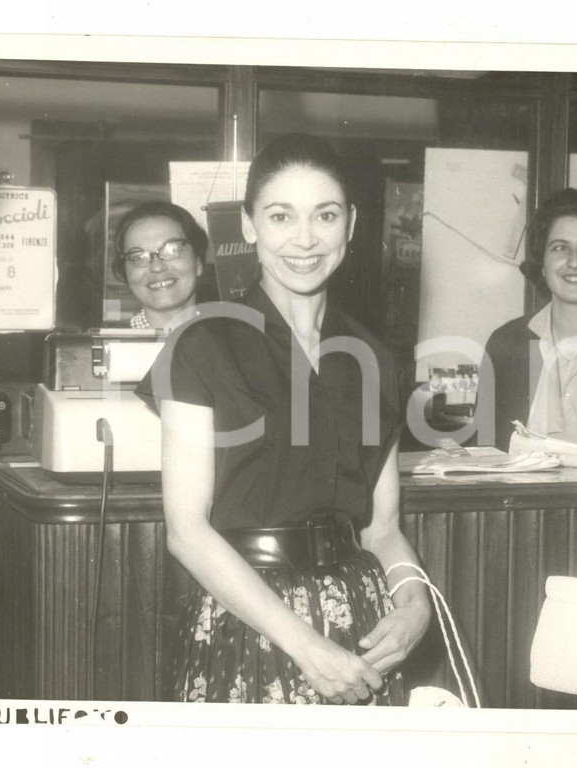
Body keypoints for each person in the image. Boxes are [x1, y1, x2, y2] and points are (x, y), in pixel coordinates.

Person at [137, 134, 431, 705]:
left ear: (351, 223)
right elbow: (188, 532)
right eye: (280, 216)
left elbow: (382, 527)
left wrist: (415, 600)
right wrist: (307, 646)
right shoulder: (201, 346)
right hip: (250, 624)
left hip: (361, 622)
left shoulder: (375, 354)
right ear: (248, 226)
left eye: (325, 215)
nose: (305, 239)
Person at [476, 188, 577, 452]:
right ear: (542, 263)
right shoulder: (505, 343)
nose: (575, 261)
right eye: (560, 248)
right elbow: (482, 450)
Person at [113, 201, 207, 330]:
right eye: (138, 257)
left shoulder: (231, 345)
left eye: (172, 250)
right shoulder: (110, 348)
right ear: (126, 274)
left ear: (198, 262)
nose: (157, 267)